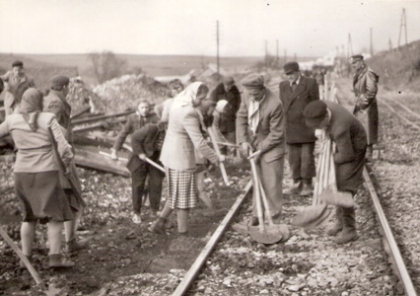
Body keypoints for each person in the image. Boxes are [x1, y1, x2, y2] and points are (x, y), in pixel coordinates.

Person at [0, 88, 75, 268]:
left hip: (22, 173)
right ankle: (55, 258)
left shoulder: (11, 120)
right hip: (46, 172)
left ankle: (26, 258)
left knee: (28, 217)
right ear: (40, 101)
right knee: (55, 217)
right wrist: (67, 166)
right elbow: (64, 148)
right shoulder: (48, 119)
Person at [149, 82, 225, 235]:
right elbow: (198, 142)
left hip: (170, 156)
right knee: (183, 198)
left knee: (175, 193)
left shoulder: (178, 106)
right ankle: (183, 233)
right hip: (180, 158)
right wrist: (216, 158)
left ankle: (159, 223)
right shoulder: (189, 112)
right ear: (193, 96)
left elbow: (188, 133)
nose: (202, 101)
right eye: (201, 98)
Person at [303, 100, 367, 244]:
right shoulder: (322, 106)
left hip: (355, 148)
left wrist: (327, 158)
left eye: (320, 125)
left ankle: (350, 229)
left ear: (326, 118)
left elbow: (347, 155)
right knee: (335, 181)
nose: (319, 128)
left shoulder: (340, 127)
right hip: (342, 144)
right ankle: (341, 222)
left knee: (344, 185)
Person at [43, 75, 85, 255]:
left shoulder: (53, 99)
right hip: (60, 157)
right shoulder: (55, 103)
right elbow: (52, 131)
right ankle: (68, 243)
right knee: (72, 198)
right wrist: (66, 156)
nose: (70, 90)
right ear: (64, 87)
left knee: (70, 199)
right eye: (68, 87)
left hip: (58, 155)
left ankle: (68, 240)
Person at [236, 74, 286, 226]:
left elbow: (277, 134)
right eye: (250, 94)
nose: (252, 97)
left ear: (262, 89)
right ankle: (257, 215)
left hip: (272, 143)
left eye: (255, 94)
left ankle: (274, 220)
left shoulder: (275, 104)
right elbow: (241, 117)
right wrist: (243, 141)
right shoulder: (247, 94)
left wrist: (261, 149)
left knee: (271, 183)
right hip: (254, 141)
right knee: (257, 179)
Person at [279, 61, 319, 196]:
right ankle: (297, 183)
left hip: (306, 127)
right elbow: (283, 105)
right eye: (287, 74)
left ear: (298, 72)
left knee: (307, 157)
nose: (289, 77)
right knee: (293, 158)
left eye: (291, 74)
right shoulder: (283, 85)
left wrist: (317, 125)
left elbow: (316, 105)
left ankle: (308, 184)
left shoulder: (310, 83)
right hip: (290, 127)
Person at [128, 122, 166, 223]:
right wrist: (140, 153)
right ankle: (136, 212)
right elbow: (134, 138)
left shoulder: (173, 133)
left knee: (156, 183)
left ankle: (155, 209)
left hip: (156, 159)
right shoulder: (151, 128)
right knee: (138, 185)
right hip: (140, 159)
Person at [350, 54, 379, 159]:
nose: (353, 65)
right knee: (362, 131)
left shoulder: (368, 73)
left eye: (355, 62)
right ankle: (363, 155)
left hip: (367, 108)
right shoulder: (359, 73)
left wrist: (362, 103)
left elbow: (371, 91)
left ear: (362, 62)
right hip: (362, 107)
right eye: (352, 63)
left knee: (367, 132)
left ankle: (368, 155)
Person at [209, 76, 241, 146]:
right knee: (220, 145)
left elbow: (238, 105)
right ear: (223, 84)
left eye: (231, 86)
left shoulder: (235, 93)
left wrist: (231, 111)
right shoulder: (216, 92)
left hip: (230, 123)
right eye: (227, 86)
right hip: (219, 122)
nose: (229, 88)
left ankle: (233, 156)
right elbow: (212, 107)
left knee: (232, 145)